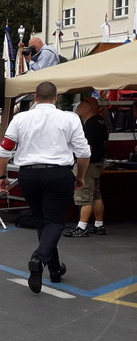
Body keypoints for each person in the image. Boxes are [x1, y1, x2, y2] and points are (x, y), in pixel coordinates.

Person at [0, 81, 90, 293]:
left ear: (35, 98)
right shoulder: (70, 118)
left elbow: (4, 151)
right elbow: (84, 153)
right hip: (58, 173)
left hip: (29, 174)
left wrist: (1, 176)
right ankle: (38, 259)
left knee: (43, 221)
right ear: (56, 98)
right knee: (55, 222)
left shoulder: (20, 118)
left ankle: (55, 269)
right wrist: (80, 176)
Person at [64, 97, 109, 237]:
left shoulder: (90, 125)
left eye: (82, 103)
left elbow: (87, 149)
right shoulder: (101, 122)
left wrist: (79, 165)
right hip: (97, 162)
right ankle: (99, 224)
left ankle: (82, 227)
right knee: (95, 194)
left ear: (89, 107)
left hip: (88, 164)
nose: (78, 106)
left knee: (85, 196)